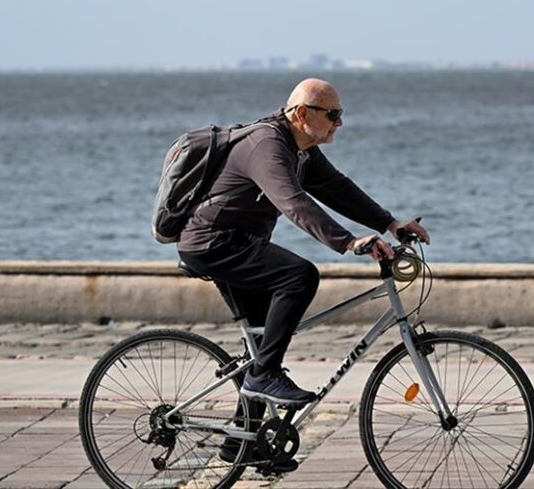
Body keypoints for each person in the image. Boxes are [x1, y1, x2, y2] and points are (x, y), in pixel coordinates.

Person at [177, 78, 430, 407]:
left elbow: (337, 188)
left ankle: (248, 429)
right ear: (301, 114)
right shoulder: (266, 145)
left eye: (340, 113)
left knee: (263, 348)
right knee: (299, 276)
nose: (340, 122)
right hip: (213, 242)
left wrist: (390, 223)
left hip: (240, 243)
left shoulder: (301, 150)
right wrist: (349, 242)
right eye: (332, 114)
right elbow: (293, 203)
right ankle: (263, 377)